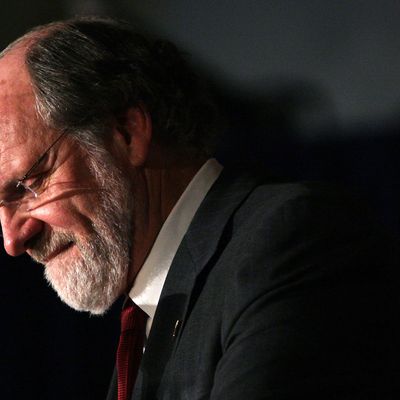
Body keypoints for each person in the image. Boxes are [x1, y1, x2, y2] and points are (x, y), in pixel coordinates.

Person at [0, 17, 399, 400]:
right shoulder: (149, 317)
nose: (12, 240)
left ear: (126, 133)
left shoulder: (291, 240)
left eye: (28, 185)